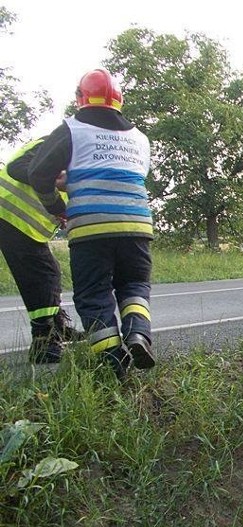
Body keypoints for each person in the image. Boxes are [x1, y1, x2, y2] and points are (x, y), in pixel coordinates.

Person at [28, 68, 154, 378]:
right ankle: (138, 334)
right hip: (137, 226)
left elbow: (37, 173)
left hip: (91, 230)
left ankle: (113, 360)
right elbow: (125, 174)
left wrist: (58, 206)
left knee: (94, 294)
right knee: (134, 286)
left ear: (81, 98)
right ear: (118, 101)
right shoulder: (140, 138)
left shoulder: (72, 129)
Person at [0, 139, 84, 363]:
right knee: (44, 275)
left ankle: (55, 327)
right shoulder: (61, 143)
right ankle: (44, 341)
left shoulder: (78, 152)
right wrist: (57, 205)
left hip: (20, 221)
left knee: (48, 272)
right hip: (9, 213)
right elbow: (17, 167)